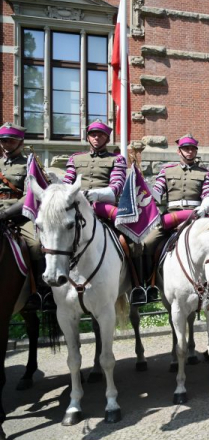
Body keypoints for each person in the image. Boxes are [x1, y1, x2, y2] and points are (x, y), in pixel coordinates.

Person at [141, 134, 209, 296]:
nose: (189, 152)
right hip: (171, 217)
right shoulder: (166, 171)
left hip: (196, 217)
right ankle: (148, 285)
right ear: (178, 151)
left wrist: (203, 208)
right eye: (185, 149)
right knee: (147, 244)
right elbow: (157, 194)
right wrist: (144, 187)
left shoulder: (205, 173)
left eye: (192, 149)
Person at [0, 123, 51, 310]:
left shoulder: (29, 164)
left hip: (18, 215)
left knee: (37, 245)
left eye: (10, 140)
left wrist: (6, 214)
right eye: (3, 140)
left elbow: (30, 195)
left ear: (20, 142)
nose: (6, 144)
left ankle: (39, 290)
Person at [63, 120, 127, 215]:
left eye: (101, 135)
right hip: (77, 204)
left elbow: (117, 186)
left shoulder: (117, 159)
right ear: (88, 138)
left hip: (103, 206)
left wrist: (98, 194)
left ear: (108, 140)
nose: (96, 138)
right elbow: (67, 182)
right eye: (93, 135)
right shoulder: (74, 158)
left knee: (123, 223)